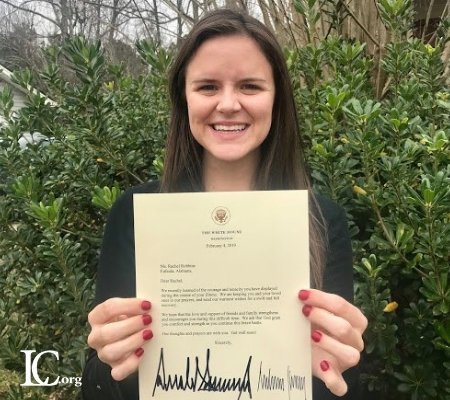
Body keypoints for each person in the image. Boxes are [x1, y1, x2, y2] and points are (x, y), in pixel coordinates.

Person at [82, 8, 367, 400]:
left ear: (276, 99)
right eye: (208, 87)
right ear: (184, 98)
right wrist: (108, 361)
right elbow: (97, 388)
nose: (229, 104)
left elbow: (343, 387)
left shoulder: (321, 221)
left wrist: (344, 366)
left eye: (250, 86)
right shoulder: (135, 214)